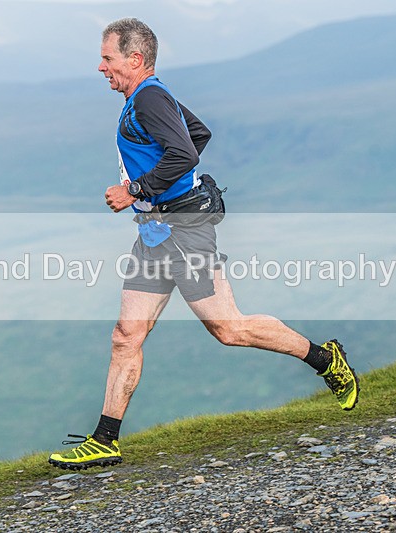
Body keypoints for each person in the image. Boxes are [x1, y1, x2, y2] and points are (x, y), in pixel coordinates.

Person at [49, 18, 359, 470]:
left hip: (186, 231)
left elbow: (187, 152)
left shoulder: (150, 98)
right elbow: (199, 133)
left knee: (229, 329)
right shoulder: (149, 96)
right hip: (157, 232)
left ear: (135, 59)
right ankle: (105, 440)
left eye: (107, 58)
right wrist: (156, 193)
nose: (101, 67)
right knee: (126, 335)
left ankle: (325, 358)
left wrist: (136, 189)